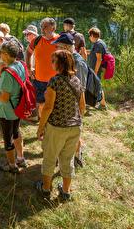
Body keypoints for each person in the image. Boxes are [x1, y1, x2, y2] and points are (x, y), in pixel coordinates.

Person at [35, 50, 86, 201]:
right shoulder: (77, 81)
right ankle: (65, 191)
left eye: (53, 60)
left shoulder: (55, 81)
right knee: (67, 158)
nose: (51, 62)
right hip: (75, 127)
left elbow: (48, 108)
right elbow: (82, 106)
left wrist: (40, 128)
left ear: (60, 64)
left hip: (57, 126)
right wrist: (75, 120)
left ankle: (45, 190)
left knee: (50, 157)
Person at [52, 32, 88, 167]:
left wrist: (79, 114)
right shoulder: (65, 60)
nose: (55, 50)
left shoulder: (78, 62)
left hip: (73, 108)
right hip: (63, 106)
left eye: (57, 48)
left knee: (75, 136)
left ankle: (77, 158)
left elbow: (81, 89)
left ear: (65, 49)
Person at [0, 40, 28, 173]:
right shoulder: (21, 65)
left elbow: (5, 98)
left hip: (6, 111)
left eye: (0, 53)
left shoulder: (7, 73)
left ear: (6, 54)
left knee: (8, 139)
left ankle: (12, 166)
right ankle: (20, 158)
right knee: (16, 132)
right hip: (18, 107)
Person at [25, 18, 59, 118]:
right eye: (41, 27)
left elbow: (69, 57)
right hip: (39, 79)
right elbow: (28, 52)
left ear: (53, 28)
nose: (42, 29)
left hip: (56, 80)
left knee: (55, 106)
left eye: (46, 27)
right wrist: (29, 68)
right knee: (41, 105)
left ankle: (53, 127)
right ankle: (43, 128)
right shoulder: (37, 40)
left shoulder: (60, 41)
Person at [87, 27, 107, 109]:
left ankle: (103, 105)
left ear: (92, 35)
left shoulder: (98, 44)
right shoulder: (100, 42)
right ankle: (98, 103)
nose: (89, 38)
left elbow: (99, 59)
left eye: (89, 36)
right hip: (95, 69)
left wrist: (95, 71)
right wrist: (82, 51)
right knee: (96, 86)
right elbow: (93, 53)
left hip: (96, 70)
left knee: (98, 86)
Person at [22, 25, 39, 122]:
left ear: (34, 34)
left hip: (36, 74)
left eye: (28, 34)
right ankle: (34, 114)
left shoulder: (37, 44)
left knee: (35, 94)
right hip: (31, 73)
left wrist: (33, 69)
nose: (26, 36)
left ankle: (34, 115)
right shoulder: (32, 45)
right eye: (25, 34)